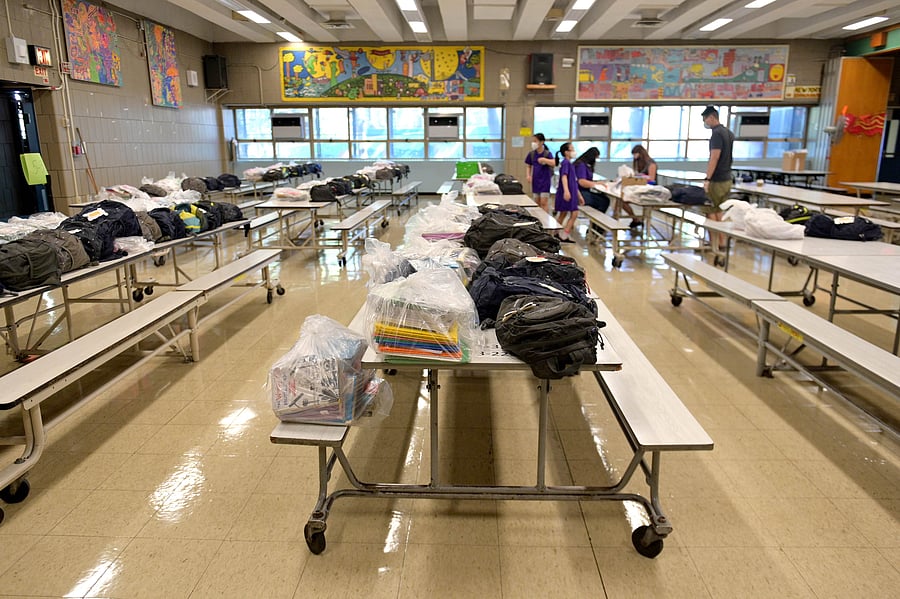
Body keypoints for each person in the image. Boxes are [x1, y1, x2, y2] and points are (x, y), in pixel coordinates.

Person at [701, 106, 735, 257]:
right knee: (719, 210)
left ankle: (714, 243)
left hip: (717, 179)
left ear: (712, 117)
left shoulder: (716, 134)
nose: (705, 122)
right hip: (727, 178)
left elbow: (714, 157)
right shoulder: (729, 132)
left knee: (710, 211)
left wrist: (708, 179)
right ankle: (722, 242)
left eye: (705, 119)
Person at [554, 142, 583, 243]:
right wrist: (566, 191)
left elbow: (573, 181)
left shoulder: (569, 164)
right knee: (574, 213)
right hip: (567, 193)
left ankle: (556, 234)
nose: (574, 151)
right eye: (572, 149)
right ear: (566, 152)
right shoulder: (565, 163)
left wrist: (579, 195)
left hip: (572, 192)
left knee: (563, 213)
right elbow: (564, 176)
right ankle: (564, 235)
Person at [524, 133, 555, 213]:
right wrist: (528, 175)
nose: (533, 143)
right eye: (533, 141)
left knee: (544, 202)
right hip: (535, 181)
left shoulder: (547, 154)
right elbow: (528, 165)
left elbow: (554, 163)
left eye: (535, 141)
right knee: (537, 202)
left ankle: (545, 220)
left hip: (545, 181)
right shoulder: (532, 154)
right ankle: (538, 218)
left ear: (542, 142)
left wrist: (544, 160)